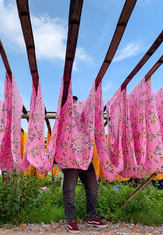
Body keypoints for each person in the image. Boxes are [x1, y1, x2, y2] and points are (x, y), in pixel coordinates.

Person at [62, 96, 108, 233]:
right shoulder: (64, 117)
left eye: (76, 102)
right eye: (73, 103)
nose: (75, 105)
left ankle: (92, 216)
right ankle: (70, 220)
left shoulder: (85, 117)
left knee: (93, 188)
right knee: (69, 191)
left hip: (85, 158)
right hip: (70, 159)